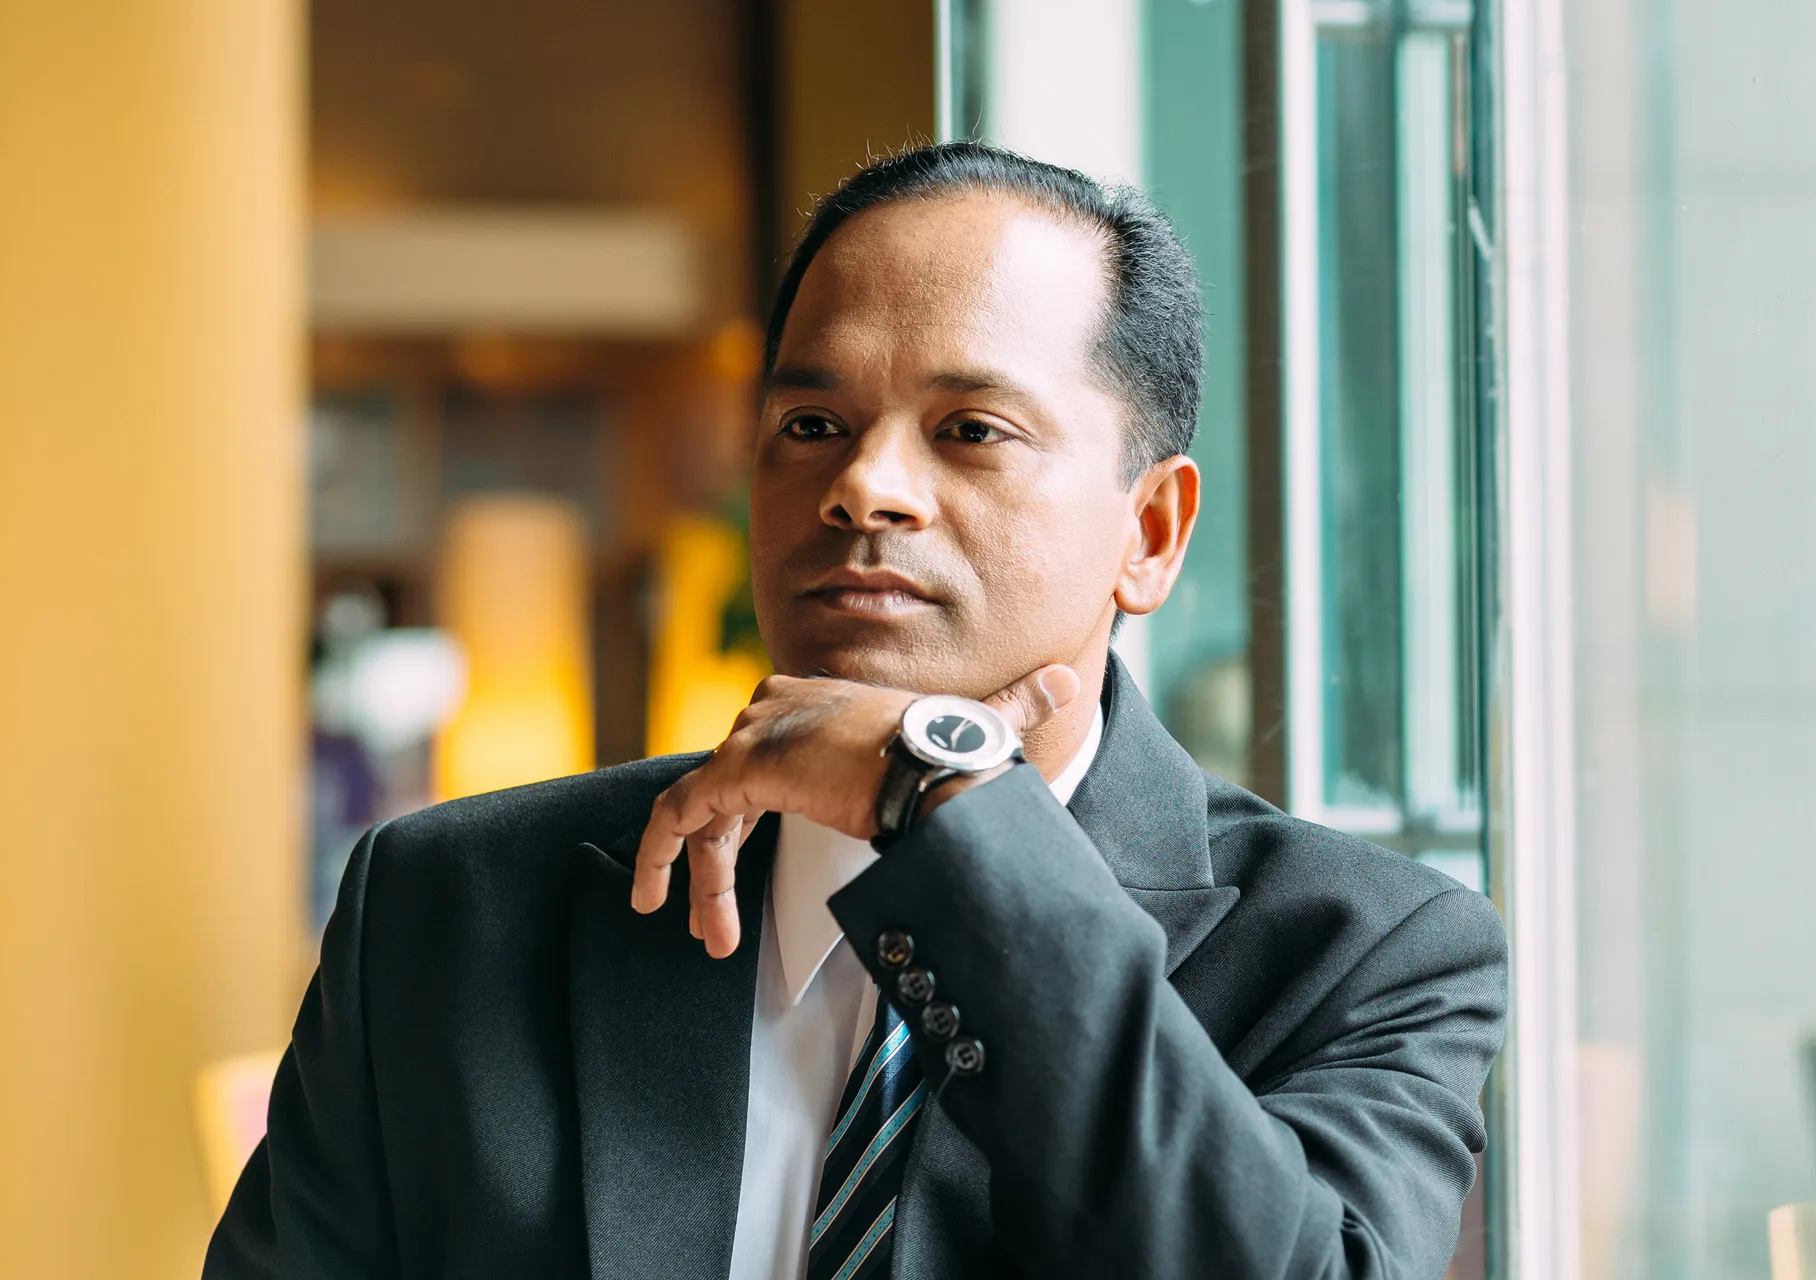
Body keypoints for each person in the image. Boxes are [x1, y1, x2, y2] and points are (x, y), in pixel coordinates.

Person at [206, 142, 1507, 1280]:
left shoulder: (1366, 955)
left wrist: (944, 806)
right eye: (814, 422)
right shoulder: (449, 909)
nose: (866, 489)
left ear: (1151, 532)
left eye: (972, 429)